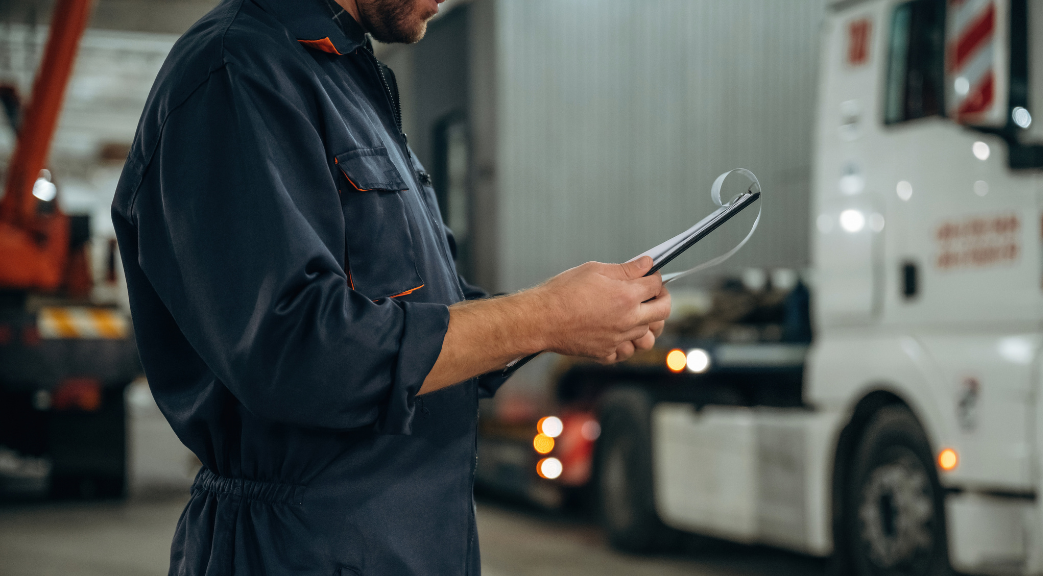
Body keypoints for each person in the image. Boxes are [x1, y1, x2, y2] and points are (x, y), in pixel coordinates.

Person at [110, 0, 671, 573]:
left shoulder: (346, 76)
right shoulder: (237, 71)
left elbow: (425, 314)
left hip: (399, 544)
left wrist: (568, 319)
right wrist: (543, 316)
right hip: (297, 551)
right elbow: (301, 353)